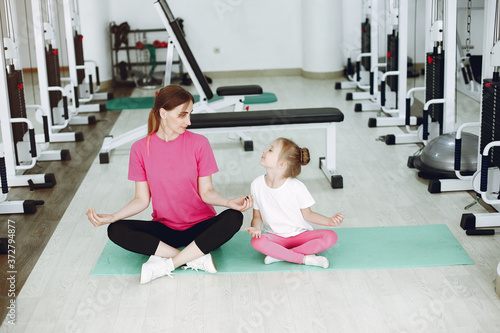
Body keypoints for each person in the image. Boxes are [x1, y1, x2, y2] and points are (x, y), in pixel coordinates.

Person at [86, 85, 253, 284]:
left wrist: (228, 202)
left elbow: (207, 192)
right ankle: (193, 259)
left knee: (234, 217)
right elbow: (141, 200)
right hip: (165, 230)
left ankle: (170, 263)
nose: (188, 122)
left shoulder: (200, 143)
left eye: (190, 114)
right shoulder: (140, 149)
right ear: (163, 113)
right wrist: (113, 216)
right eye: (182, 115)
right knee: (115, 230)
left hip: (201, 228)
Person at [244, 137, 343, 269]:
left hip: (300, 235)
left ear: (282, 164)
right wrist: (256, 228)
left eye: (270, 150)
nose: (264, 151)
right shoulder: (256, 184)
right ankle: (305, 258)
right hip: (275, 238)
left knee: (331, 236)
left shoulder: (296, 186)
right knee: (257, 241)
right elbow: (257, 217)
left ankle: (281, 255)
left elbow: (308, 215)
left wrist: (329, 221)